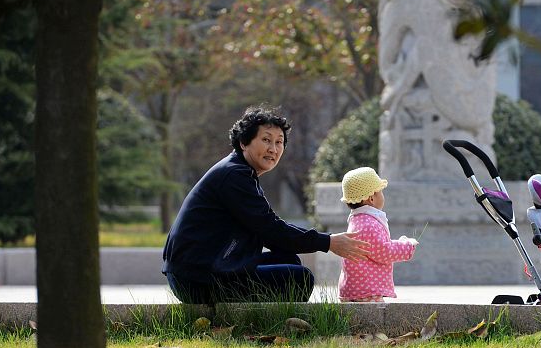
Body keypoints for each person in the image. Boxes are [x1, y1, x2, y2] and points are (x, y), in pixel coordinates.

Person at [162, 106, 370, 304]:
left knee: (289, 260)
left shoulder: (240, 172)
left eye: (279, 142)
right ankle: (258, 326)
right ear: (244, 142)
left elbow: (270, 230)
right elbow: (270, 229)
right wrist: (328, 242)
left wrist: (324, 242)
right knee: (299, 278)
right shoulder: (235, 176)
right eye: (266, 140)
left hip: (206, 269)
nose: (273, 149)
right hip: (198, 279)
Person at [337, 166, 417, 302]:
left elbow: (376, 247)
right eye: (380, 192)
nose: (382, 196)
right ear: (371, 198)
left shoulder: (358, 220)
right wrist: (407, 247)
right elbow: (383, 251)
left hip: (356, 289)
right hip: (366, 291)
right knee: (372, 320)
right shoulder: (368, 224)